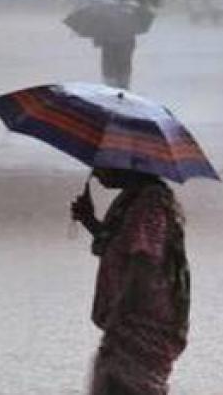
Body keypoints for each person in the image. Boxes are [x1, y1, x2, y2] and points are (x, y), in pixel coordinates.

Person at [71, 168, 190, 395]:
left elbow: (143, 262)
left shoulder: (149, 203)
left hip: (141, 318)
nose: (96, 174)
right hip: (130, 318)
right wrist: (89, 220)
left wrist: (120, 312)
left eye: (102, 165)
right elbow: (119, 246)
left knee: (125, 384)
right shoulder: (132, 200)